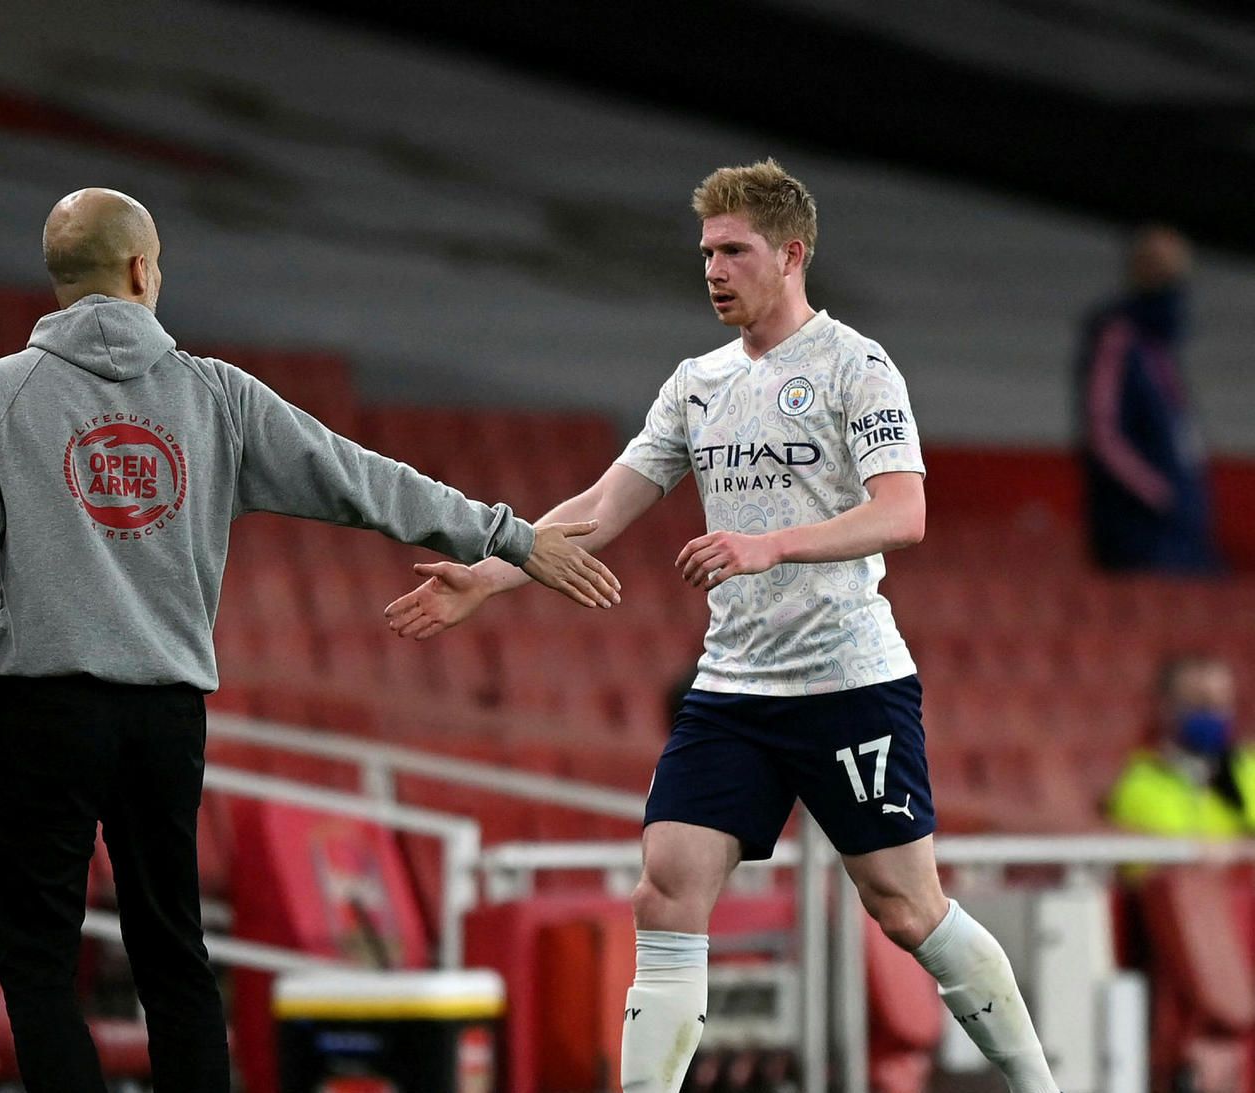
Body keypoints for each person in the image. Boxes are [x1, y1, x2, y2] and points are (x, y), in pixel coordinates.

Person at [0, 187, 619, 1093]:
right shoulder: (217, 398)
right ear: (142, 270)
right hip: (165, 717)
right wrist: (512, 535)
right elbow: (365, 481)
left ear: (59, 280)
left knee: (43, 971)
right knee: (173, 960)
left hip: (35, 711)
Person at [386, 160, 1061, 1093]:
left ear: (790, 255)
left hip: (847, 682)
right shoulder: (696, 383)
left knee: (907, 909)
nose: (714, 269)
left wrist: (771, 544)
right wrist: (493, 574)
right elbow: (604, 501)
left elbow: (903, 512)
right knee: (665, 885)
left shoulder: (854, 365)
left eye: (734, 250)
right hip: (734, 690)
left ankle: (1038, 1081)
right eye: (706, 252)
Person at [1074, 226, 1218, 573]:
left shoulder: (1159, 345)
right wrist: (1162, 496)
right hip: (1136, 532)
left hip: (1183, 530)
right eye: (1166, 273)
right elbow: (1103, 433)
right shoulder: (1118, 338)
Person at [1109, 654, 1252, 836]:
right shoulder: (1138, 784)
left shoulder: (1249, 772)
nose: (1212, 713)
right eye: (1199, 703)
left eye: (1220, 703)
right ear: (1165, 707)